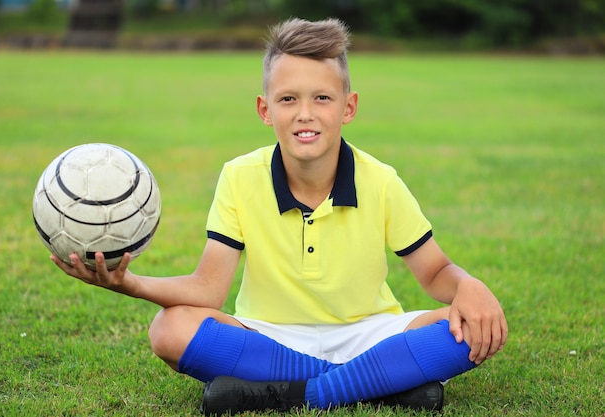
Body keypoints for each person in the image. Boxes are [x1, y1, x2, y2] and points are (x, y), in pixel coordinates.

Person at [52, 17, 508, 416]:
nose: (305, 114)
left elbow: (435, 272)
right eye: (288, 99)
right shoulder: (239, 177)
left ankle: (295, 394)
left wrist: (469, 286)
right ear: (264, 110)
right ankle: (381, 386)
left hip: (369, 332)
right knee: (169, 330)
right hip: (268, 338)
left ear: (348, 107)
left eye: (322, 99)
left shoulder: (381, 180)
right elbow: (207, 290)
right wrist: (130, 284)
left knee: (474, 326)